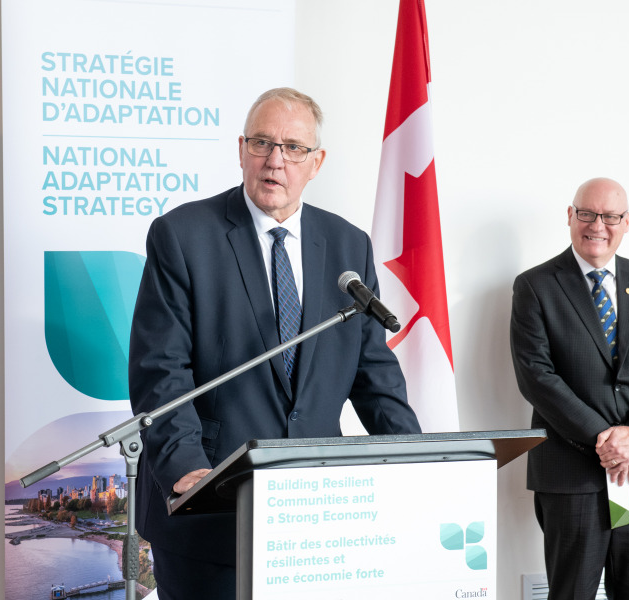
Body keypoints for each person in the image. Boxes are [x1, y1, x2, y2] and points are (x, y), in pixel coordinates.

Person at [128, 87, 421, 599]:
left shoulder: (349, 244)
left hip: (314, 520)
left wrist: (418, 457)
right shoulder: (183, 235)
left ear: (317, 162)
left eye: (293, 148)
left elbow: (373, 373)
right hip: (211, 508)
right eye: (262, 143)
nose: (275, 160)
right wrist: (186, 468)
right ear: (241, 150)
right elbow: (160, 368)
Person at [510, 177, 629, 599]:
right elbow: (536, 376)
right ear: (570, 216)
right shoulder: (534, 285)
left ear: (627, 222)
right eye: (587, 213)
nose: (597, 225)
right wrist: (604, 439)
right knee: (572, 593)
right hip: (571, 471)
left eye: (609, 216)